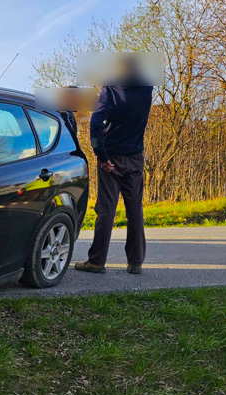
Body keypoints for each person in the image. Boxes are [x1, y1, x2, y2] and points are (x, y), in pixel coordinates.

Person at [75, 57, 153, 275]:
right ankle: (135, 262)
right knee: (135, 210)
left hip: (111, 157)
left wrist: (102, 155)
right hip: (135, 157)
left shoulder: (111, 89)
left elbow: (95, 122)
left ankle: (97, 261)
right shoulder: (147, 89)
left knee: (106, 209)